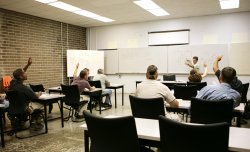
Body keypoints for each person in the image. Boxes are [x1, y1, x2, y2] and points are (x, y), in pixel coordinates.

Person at [9, 57, 44, 131]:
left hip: (12, 109)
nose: (26, 73)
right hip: (24, 110)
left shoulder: (12, 84)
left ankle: (19, 121)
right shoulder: (25, 88)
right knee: (40, 106)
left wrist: (28, 65)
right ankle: (35, 124)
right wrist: (39, 93)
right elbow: (35, 97)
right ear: (21, 77)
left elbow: (18, 74)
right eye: (24, 73)